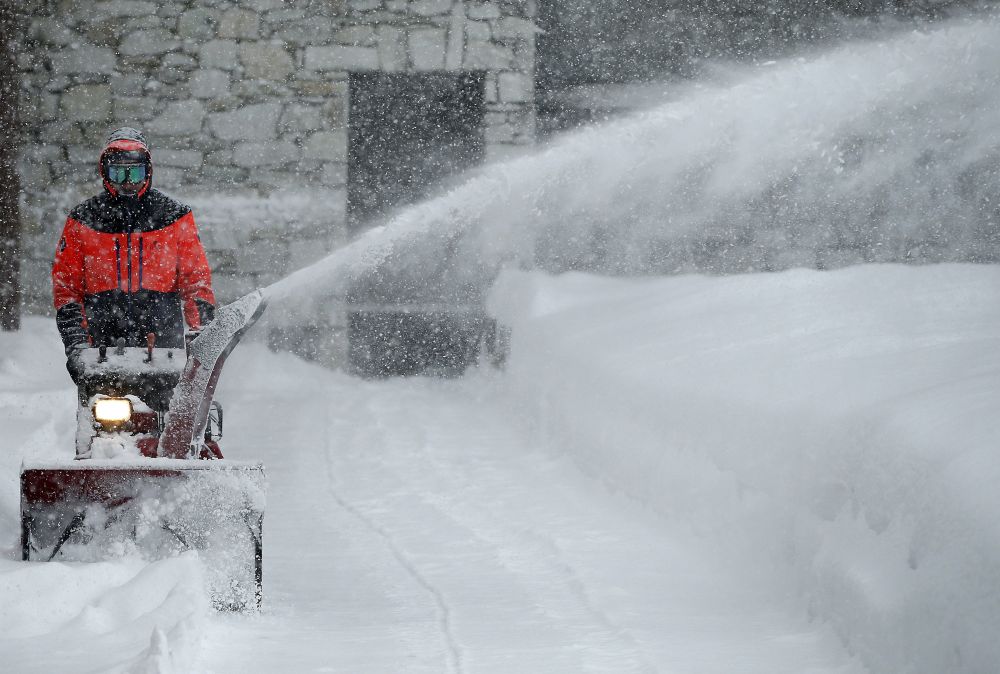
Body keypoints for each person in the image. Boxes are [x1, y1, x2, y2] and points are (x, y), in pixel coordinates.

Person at [52, 127, 216, 382]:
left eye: (135, 172)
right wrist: (76, 344)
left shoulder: (175, 216)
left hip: (164, 343)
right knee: (98, 415)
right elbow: (67, 289)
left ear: (147, 172)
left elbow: (196, 282)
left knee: (176, 417)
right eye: (118, 173)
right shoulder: (82, 220)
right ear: (104, 173)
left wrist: (201, 334)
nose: (128, 182)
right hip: (101, 343)